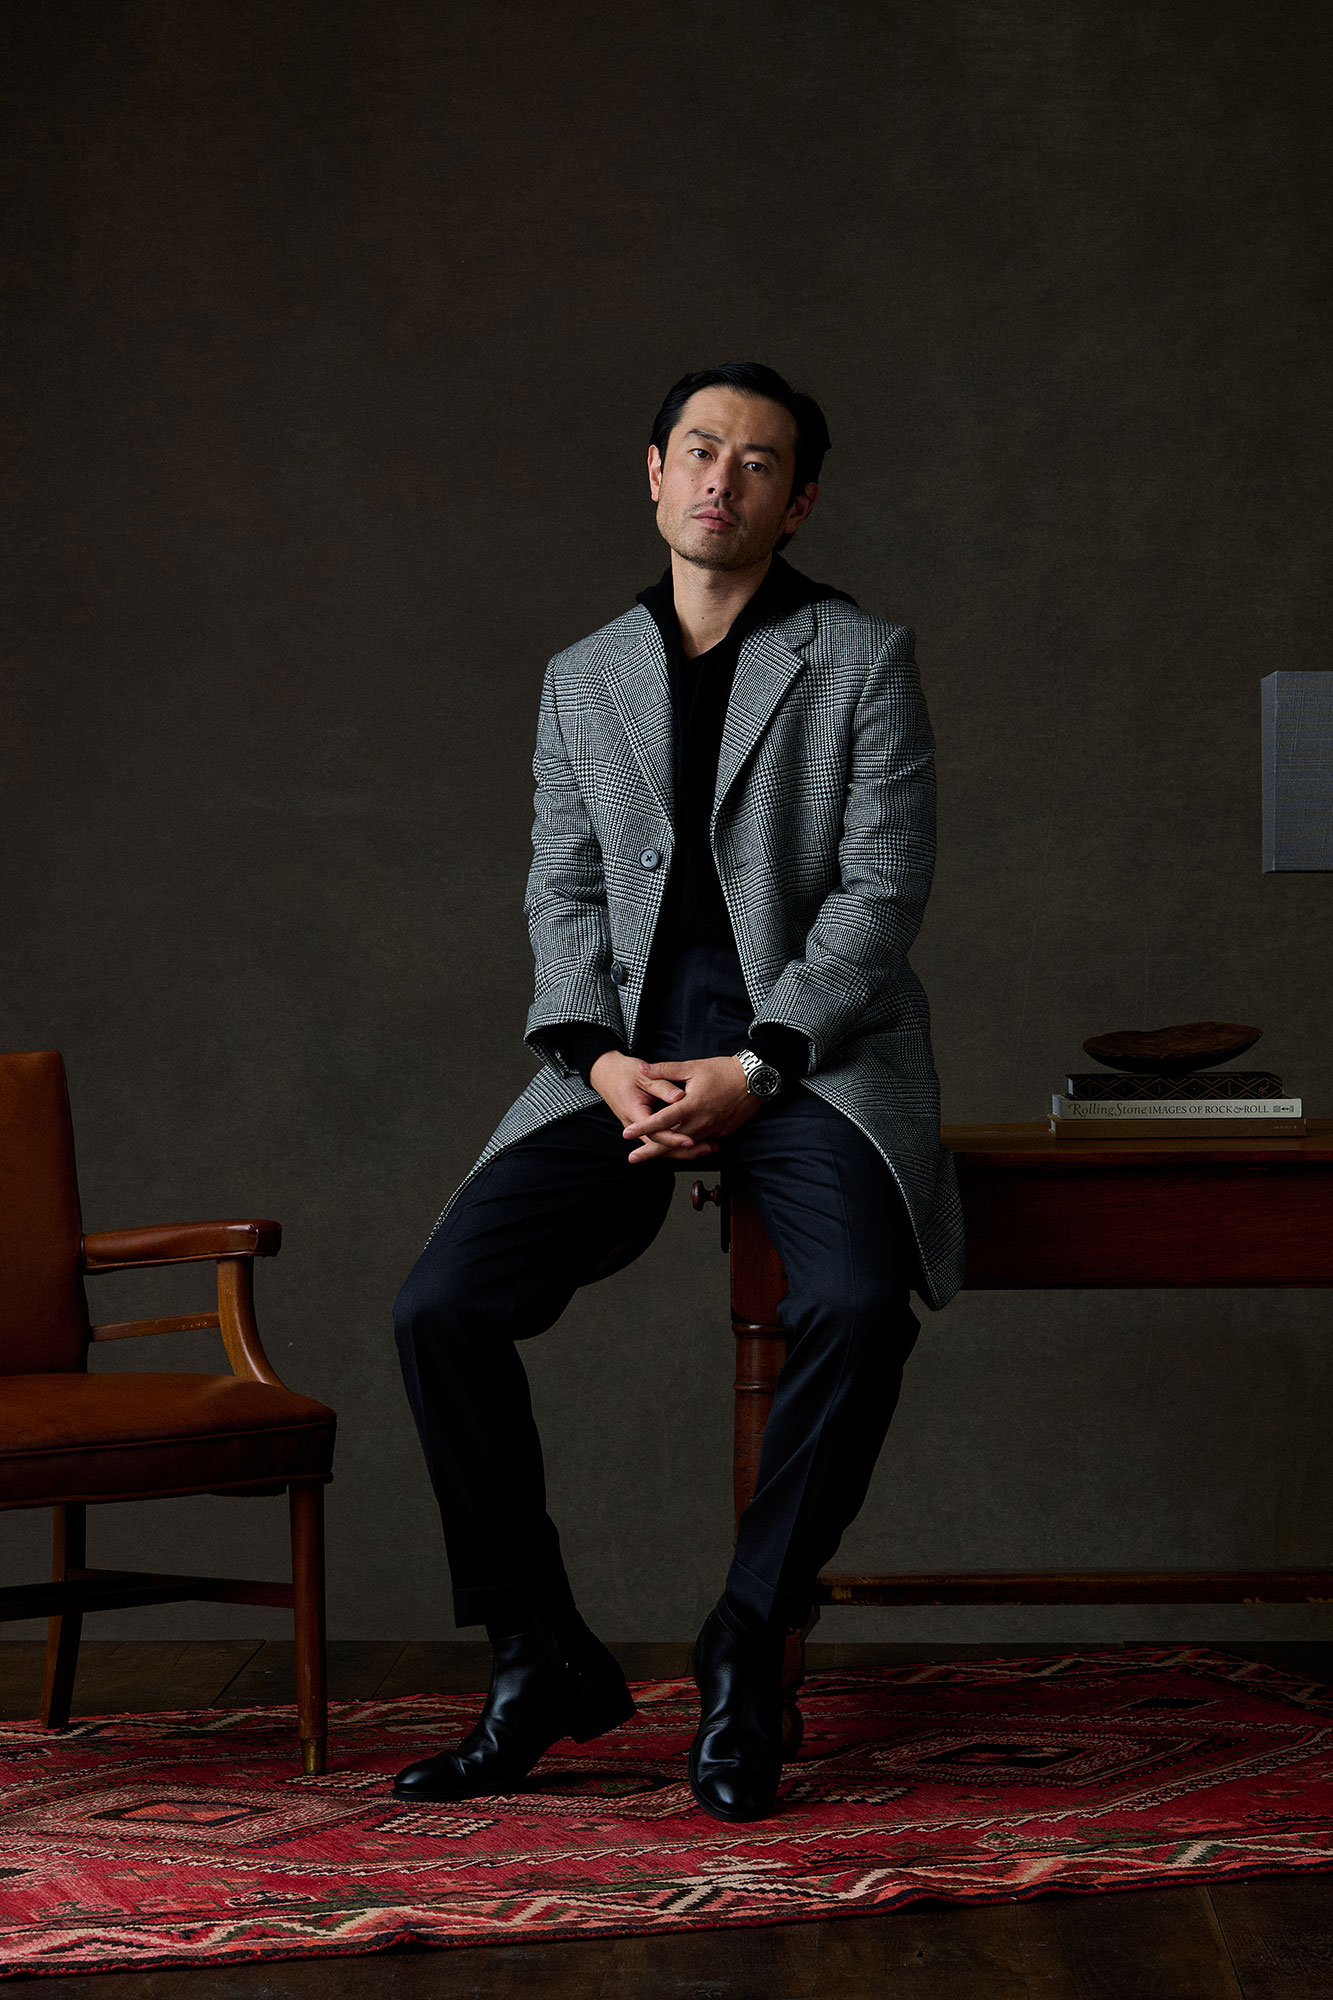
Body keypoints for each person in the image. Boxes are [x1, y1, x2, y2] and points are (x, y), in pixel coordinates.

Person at [392, 362, 964, 1822]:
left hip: (813, 1057)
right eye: (700, 450)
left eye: (758, 462)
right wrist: (596, 1060)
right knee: (439, 1307)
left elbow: (881, 896)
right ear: (653, 472)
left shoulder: (860, 657)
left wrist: (758, 1063)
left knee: (856, 1305)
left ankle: (744, 1644)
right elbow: (563, 896)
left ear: (799, 499)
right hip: (621, 1061)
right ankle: (538, 1659)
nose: (723, 478)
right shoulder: (581, 676)